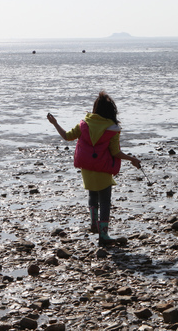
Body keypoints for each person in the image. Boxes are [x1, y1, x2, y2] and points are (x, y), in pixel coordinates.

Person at [47, 91, 141, 246]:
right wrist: (132, 159)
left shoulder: (84, 124)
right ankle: (103, 235)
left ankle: (93, 224)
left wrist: (55, 123)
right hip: (103, 168)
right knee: (105, 200)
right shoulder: (112, 129)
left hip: (87, 168)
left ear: (95, 109)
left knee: (92, 193)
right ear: (112, 111)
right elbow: (115, 152)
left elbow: (66, 136)